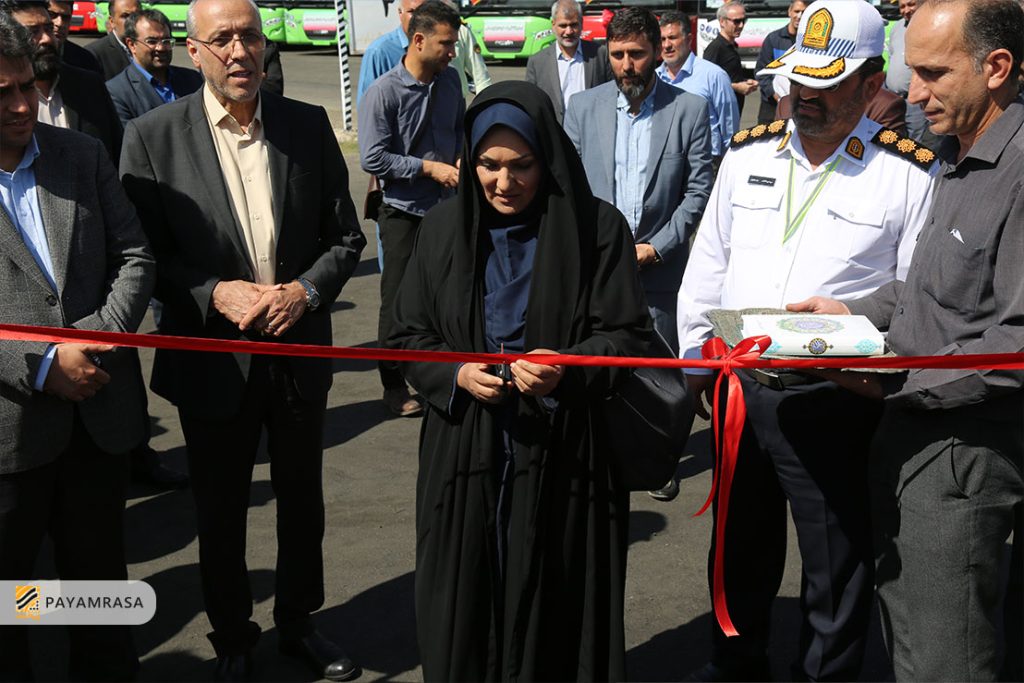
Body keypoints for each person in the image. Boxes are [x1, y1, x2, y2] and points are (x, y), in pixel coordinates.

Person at [676, 1, 938, 679]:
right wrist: (698, 364)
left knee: (834, 563)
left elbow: (915, 295)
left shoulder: (909, 175)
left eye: (827, 86)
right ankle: (734, 664)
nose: (805, 98)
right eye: (799, 82)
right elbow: (709, 265)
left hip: (833, 398)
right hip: (740, 388)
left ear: (872, 82)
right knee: (737, 547)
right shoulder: (747, 155)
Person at [118, 0, 366, 678]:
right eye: (222, 38)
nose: (239, 51)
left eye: (249, 36)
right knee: (220, 509)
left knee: (302, 501)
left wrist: (305, 291)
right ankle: (231, 635)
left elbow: (345, 237)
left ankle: (299, 623)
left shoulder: (305, 125)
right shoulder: (151, 137)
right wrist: (212, 293)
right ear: (194, 49)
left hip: (296, 350)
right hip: (212, 362)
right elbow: (142, 255)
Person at [788, 0, 1024, 678]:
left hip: (961, 457)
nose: (913, 94)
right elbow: (926, 289)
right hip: (909, 437)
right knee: (909, 643)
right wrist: (842, 315)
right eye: (910, 73)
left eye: (931, 74)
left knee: (949, 658)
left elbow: (1014, 344)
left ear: (996, 67)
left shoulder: (1017, 174)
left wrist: (894, 378)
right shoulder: (955, 155)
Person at [388, 79, 652, 682]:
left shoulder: (597, 230)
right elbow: (406, 335)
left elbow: (626, 338)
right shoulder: (442, 230)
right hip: (465, 448)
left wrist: (566, 368)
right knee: (465, 605)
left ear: (548, 157)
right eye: (489, 165)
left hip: (567, 450)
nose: (504, 183)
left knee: (558, 605)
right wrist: (455, 373)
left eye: (522, 165)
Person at [0, 13, 154, 681]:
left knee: (98, 597)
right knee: (12, 607)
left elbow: (135, 257)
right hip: (10, 438)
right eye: (2, 92)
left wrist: (91, 344)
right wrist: (39, 366)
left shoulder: (81, 155)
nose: (22, 105)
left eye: (26, 86)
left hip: (96, 423)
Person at [566, 6, 712, 503]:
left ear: (658, 52)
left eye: (637, 54)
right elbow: (569, 187)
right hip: (597, 270)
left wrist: (658, 247)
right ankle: (600, 458)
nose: (626, 65)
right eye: (617, 54)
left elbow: (698, 190)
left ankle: (659, 461)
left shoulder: (688, 109)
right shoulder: (583, 108)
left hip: (659, 271)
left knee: (659, 373)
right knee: (598, 365)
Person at [358, 0, 464, 418]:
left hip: (446, 210)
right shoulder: (384, 92)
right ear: (419, 40)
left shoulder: (450, 81)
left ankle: (442, 376)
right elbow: (373, 158)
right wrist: (428, 168)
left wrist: (460, 158)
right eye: (446, 44)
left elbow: (459, 130)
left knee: (447, 298)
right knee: (398, 303)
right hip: (402, 213)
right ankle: (393, 383)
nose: (452, 52)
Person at [3, 0, 122, 164]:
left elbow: (116, 152)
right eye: (33, 32)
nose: (46, 39)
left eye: (48, 29)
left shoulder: (89, 85)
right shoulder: (7, 97)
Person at [656, 10, 739, 162]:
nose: (666, 45)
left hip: (706, 162)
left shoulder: (713, 76)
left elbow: (730, 130)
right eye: (662, 39)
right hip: (665, 163)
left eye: (673, 38)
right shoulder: (654, 78)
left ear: (689, 39)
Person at [105, 8, 203, 127]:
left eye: (166, 41)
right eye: (152, 41)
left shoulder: (193, 79)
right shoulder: (116, 91)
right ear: (132, 45)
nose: (161, 48)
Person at [524, 0, 612, 125]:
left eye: (574, 25)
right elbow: (531, 103)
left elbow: (612, 95)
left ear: (581, 23)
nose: (569, 31)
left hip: (593, 128)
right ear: (553, 24)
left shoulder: (600, 54)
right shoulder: (537, 62)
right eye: (563, 26)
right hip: (555, 132)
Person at [355, 0, 422, 105]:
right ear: (400, 13)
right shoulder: (379, 52)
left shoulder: (436, 48)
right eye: (412, 12)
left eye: (423, 12)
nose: (418, 18)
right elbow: (367, 104)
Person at [753, 0, 806, 124]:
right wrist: (775, 95)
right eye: (796, 11)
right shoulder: (773, 39)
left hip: (799, 106)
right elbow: (762, 72)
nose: (799, 16)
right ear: (789, 12)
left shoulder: (809, 42)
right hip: (771, 106)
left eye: (804, 12)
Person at [702, 1, 758, 114]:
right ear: (722, 21)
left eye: (744, 20)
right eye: (736, 21)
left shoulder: (731, 46)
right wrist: (737, 87)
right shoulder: (716, 48)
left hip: (733, 110)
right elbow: (706, 82)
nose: (741, 25)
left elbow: (730, 77)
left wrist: (746, 82)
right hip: (721, 112)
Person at [87, 0, 139, 80]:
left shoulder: (151, 47)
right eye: (125, 16)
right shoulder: (93, 54)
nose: (131, 21)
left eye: (135, 15)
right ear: (112, 21)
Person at [46, 0, 103, 74]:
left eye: (66, 17)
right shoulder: (30, 56)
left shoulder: (85, 59)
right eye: (52, 15)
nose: (60, 23)